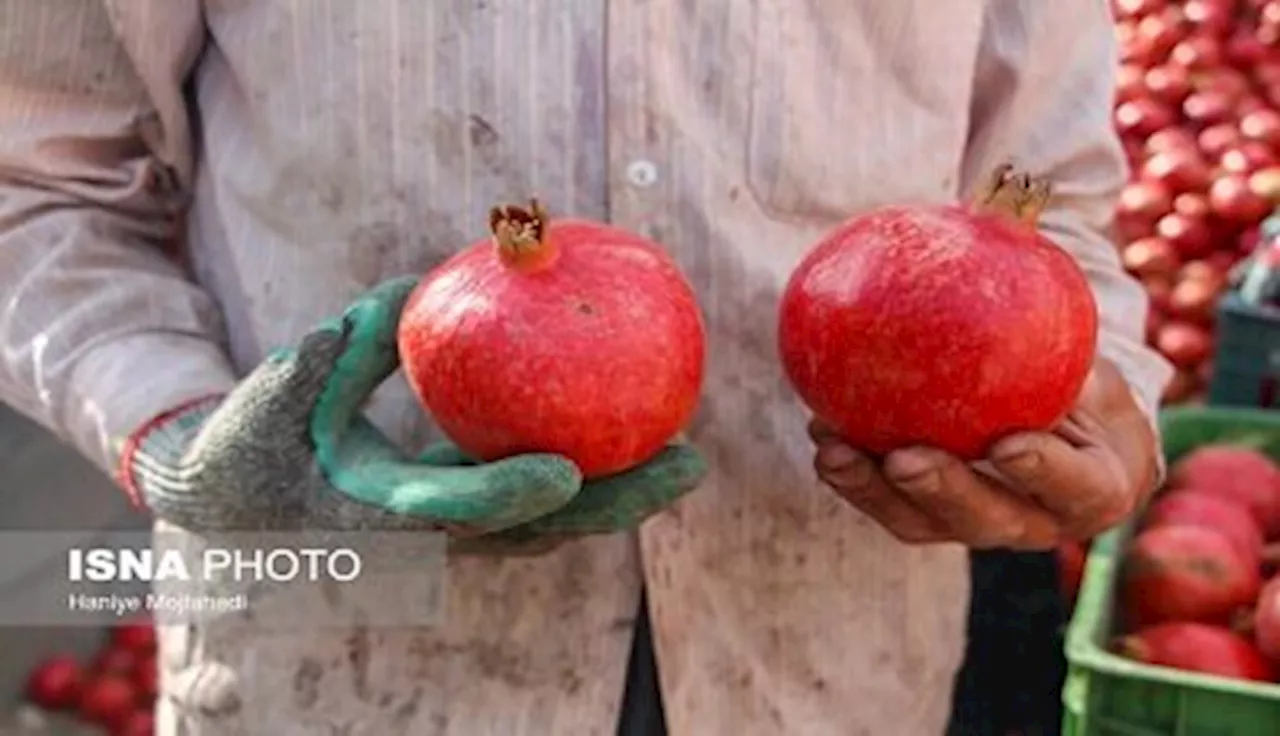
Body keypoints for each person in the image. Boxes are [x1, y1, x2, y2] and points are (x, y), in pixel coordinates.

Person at [0, 1, 1171, 734]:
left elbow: (1043, 200)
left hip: (828, 647)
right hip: (346, 643)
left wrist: (1086, 404)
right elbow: (33, 183)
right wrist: (180, 435)